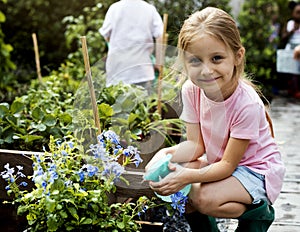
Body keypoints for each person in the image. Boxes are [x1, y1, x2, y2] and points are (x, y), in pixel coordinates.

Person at [146, 7, 285, 231]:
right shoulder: (192, 90)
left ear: (237, 56)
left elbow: (229, 166)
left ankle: (259, 214)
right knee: (177, 175)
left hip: (256, 171)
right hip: (220, 163)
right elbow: (195, 145)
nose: (206, 70)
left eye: (217, 58)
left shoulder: (245, 103)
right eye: (195, 61)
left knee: (201, 197)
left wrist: (187, 177)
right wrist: (164, 155)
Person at [99, 0, 164, 91]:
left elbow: (106, 35)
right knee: (142, 103)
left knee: (116, 103)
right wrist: (158, 61)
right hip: (142, 71)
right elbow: (160, 35)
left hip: (117, 70)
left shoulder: (114, 8)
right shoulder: (149, 9)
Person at [281, 1, 300, 98]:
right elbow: (283, 38)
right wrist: (292, 31)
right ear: (292, 13)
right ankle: (293, 90)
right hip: (291, 50)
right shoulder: (289, 24)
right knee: (292, 71)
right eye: (297, 12)